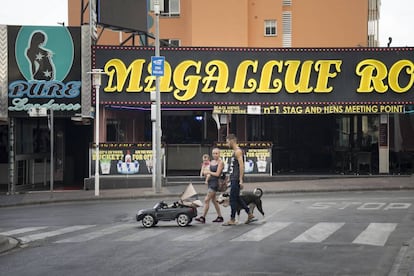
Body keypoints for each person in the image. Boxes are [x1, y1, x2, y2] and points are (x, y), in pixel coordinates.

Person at [223, 134, 254, 226]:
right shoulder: (234, 151)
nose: (227, 143)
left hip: (236, 179)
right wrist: (229, 177)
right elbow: (234, 166)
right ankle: (249, 213)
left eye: (227, 141)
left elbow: (241, 166)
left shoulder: (238, 151)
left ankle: (232, 219)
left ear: (232, 140)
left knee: (233, 199)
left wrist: (240, 179)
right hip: (233, 177)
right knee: (237, 198)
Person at [195, 148, 224, 223]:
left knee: (206, 199)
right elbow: (206, 170)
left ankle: (203, 217)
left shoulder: (220, 162)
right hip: (210, 182)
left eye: (216, 153)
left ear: (219, 154)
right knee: (214, 201)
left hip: (215, 183)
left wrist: (209, 172)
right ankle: (220, 216)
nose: (215, 155)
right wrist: (205, 172)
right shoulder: (212, 162)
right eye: (213, 153)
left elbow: (217, 174)